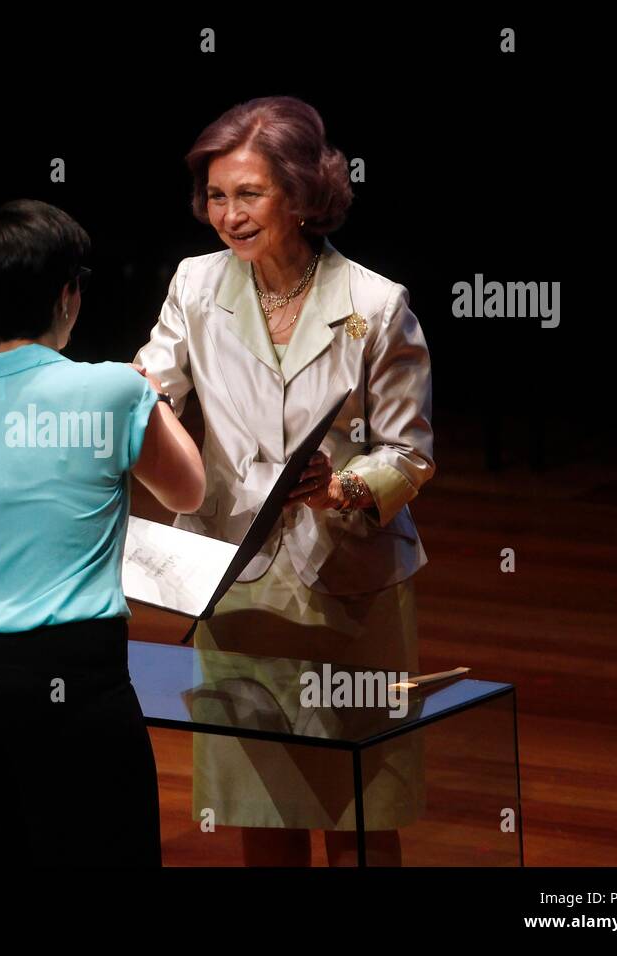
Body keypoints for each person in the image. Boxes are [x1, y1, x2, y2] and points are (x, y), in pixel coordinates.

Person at [134, 96, 436, 866]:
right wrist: (128, 407)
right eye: (215, 195)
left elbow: (408, 453)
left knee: (358, 806)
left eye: (248, 194)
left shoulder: (375, 304)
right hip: (233, 573)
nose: (227, 215)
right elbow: (153, 386)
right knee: (258, 799)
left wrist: (343, 487)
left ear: (301, 195)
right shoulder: (196, 286)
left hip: (345, 576)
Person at [0, 199, 205, 866]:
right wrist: (152, 395)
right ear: (68, 295)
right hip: (72, 672)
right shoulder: (110, 390)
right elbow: (189, 491)